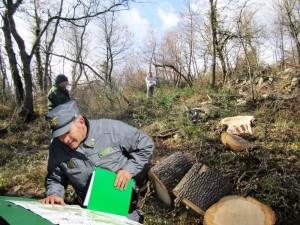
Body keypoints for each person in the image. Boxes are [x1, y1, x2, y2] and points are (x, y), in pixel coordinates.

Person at [41, 100, 154, 223]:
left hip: (122, 208)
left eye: (67, 132)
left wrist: (128, 170)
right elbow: (55, 178)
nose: (65, 140)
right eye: (59, 136)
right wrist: (54, 194)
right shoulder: (57, 148)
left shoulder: (111, 130)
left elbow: (145, 144)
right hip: (87, 213)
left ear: (81, 121)